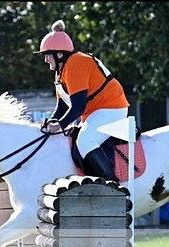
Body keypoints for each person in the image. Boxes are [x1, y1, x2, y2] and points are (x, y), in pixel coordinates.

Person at [34, 19, 129, 181]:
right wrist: (51, 122)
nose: (45, 60)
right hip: (96, 111)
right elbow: (62, 107)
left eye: (47, 56)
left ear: (59, 54)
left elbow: (78, 107)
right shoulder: (60, 73)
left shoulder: (75, 63)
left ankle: (113, 185)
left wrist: (60, 125)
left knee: (86, 141)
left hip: (112, 107)